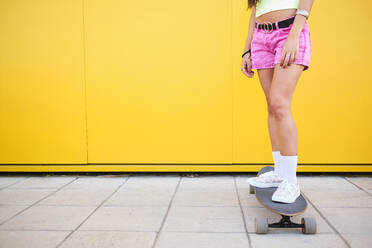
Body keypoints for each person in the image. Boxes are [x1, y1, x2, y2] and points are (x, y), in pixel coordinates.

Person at [242, 0, 315, 204]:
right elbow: (256, 10)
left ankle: (290, 182)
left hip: (289, 32)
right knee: (272, 106)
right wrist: (246, 49)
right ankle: (280, 172)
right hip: (260, 37)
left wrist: (294, 35)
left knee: (279, 103)